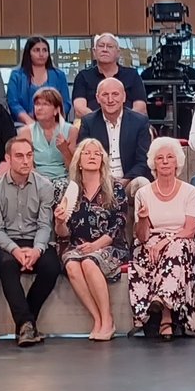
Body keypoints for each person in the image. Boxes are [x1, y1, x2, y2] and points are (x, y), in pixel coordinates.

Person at [0, 135, 62, 347]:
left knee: (51, 266)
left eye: (29, 155)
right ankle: (27, 323)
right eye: (19, 156)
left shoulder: (45, 186)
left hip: (36, 239)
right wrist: (16, 250)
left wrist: (36, 250)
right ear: (8, 159)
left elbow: (45, 225)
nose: (26, 161)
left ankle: (26, 322)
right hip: (8, 241)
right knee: (7, 265)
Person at [56, 138, 129, 341]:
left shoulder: (115, 188)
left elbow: (119, 224)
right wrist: (59, 221)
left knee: (89, 262)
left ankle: (108, 319)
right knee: (72, 264)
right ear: (79, 160)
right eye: (87, 153)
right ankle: (97, 318)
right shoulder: (67, 190)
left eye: (97, 153)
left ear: (103, 161)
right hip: (77, 245)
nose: (92, 157)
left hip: (109, 245)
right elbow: (63, 233)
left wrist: (96, 245)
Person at [129, 137, 195, 340]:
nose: (166, 161)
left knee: (175, 249)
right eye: (160, 158)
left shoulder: (190, 191)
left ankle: (162, 304)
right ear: (153, 163)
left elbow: (190, 229)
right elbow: (142, 236)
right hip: (150, 241)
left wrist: (165, 240)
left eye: (170, 157)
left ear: (177, 161)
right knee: (147, 251)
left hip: (182, 240)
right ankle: (166, 318)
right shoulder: (143, 193)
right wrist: (142, 219)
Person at [75, 75, 154, 185]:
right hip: (99, 182)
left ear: (124, 97)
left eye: (115, 94)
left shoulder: (139, 122)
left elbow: (143, 160)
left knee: (142, 183)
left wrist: (124, 181)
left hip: (128, 181)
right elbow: (83, 157)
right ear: (98, 98)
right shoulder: (88, 122)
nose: (110, 100)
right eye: (105, 95)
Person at [69, 32, 146, 119]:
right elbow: (79, 108)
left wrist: (122, 123)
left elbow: (140, 107)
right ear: (94, 52)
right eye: (101, 46)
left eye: (110, 46)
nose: (105, 49)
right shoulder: (83, 76)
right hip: (91, 125)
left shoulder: (132, 75)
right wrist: (100, 123)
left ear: (118, 53)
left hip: (129, 125)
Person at [6, 36, 69, 124]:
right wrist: (29, 122)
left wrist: (53, 119)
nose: (41, 54)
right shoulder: (17, 75)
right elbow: (13, 103)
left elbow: (65, 103)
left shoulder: (59, 75)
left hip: (54, 123)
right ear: (29, 53)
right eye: (36, 50)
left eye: (45, 50)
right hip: (24, 124)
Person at [27, 87, 76, 188]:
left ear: (56, 110)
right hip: (36, 181)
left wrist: (64, 150)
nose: (39, 108)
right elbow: (27, 166)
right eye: (37, 104)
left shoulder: (71, 130)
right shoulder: (26, 132)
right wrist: (42, 183)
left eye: (45, 104)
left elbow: (74, 169)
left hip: (64, 180)